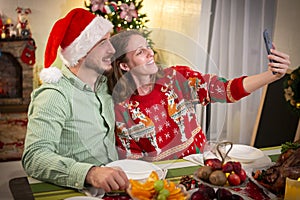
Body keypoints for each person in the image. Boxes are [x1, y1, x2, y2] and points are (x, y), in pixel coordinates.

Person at [108, 30, 290, 162]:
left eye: (147, 47)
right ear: (124, 65)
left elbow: (225, 90)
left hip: (203, 165)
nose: (150, 53)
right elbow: (133, 165)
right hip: (164, 181)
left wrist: (270, 76)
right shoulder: (121, 110)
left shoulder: (175, 78)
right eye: (140, 52)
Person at [22, 8, 129, 193]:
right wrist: (91, 173)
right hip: (77, 192)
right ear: (81, 52)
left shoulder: (105, 86)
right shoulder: (54, 96)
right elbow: (34, 157)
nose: (112, 49)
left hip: (115, 188)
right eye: (103, 42)